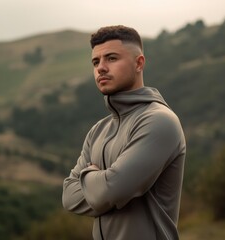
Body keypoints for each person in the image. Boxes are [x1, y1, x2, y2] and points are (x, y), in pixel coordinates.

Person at [62, 25, 186, 240]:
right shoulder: (97, 131)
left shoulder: (159, 121)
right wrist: (103, 189)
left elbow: (110, 192)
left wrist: (88, 176)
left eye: (111, 58)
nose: (101, 68)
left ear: (139, 63)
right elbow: (69, 196)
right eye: (95, 62)